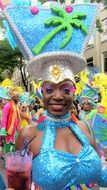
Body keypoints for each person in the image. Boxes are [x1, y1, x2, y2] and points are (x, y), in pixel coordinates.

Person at [3, 1, 107, 189]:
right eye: (49, 89)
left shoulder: (84, 127)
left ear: (74, 92)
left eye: (66, 89)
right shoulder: (28, 134)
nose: (58, 96)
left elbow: (101, 175)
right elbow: (17, 186)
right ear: (41, 92)